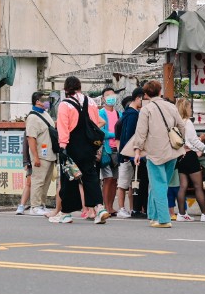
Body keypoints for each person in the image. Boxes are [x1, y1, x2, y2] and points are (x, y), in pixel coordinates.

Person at [125, 80, 186, 228]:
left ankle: (164, 219)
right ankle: (153, 215)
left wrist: (137, 151)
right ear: (160, 91)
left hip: (155, 152)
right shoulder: (171, 106)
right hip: (172, 151)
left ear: (145, 95)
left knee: (158, 184)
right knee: (161, 183)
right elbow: (181, 126)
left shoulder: (146, 110)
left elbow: (141, 133)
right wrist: (181, 142)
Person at [52, 76, 106, 224]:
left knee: (69, 178)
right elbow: (94, 124)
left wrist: (62, 147)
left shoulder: (65, 105)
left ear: (66, 89)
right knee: (90, 177)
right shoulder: (92, 102)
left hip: (72, 145)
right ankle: (99, 208)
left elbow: (63, 128)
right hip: (88, 145)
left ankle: (66, 213)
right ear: (79, 87)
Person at [175, 98, 205, 221]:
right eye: (189, 107)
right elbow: (194, 141)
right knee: (198, 186)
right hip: (190, 156)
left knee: (183, 186)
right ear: (185, 109)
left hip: (180, 156)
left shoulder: (175, 122)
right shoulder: (187, 122)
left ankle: (181, 213)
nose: (191, 110)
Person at [25, 91, 57, 216]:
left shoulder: (45, 114)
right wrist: (35, 157)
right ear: (37, 101)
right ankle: (35, 206)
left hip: (50, 154)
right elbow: (31, 138)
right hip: (40, 155)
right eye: (45, 99)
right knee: (38, 180)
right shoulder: (32, 117)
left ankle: (42, 204)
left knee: (46, 181)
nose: (47, 102)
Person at [114, 90, 142, 218]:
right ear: (137, 98)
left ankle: (130, 208)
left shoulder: (126, 114)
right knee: (124, 183)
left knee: (131, 183)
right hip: (128, 154)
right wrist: (128, 153)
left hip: (126, 154)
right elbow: (130, 136)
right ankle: (121, 208)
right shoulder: (133, 115)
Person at [98, 87, 120, 216]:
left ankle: (111, 207)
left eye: (113, 95)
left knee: (114, 180)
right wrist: (115, 134)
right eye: (108, 95)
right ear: (103, 98)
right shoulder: (101, 113)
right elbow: (101, 132)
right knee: (108, 178)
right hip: (106, 150)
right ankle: (105, 206)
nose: (111, 97)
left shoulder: (118, 114)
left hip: (117, 150)